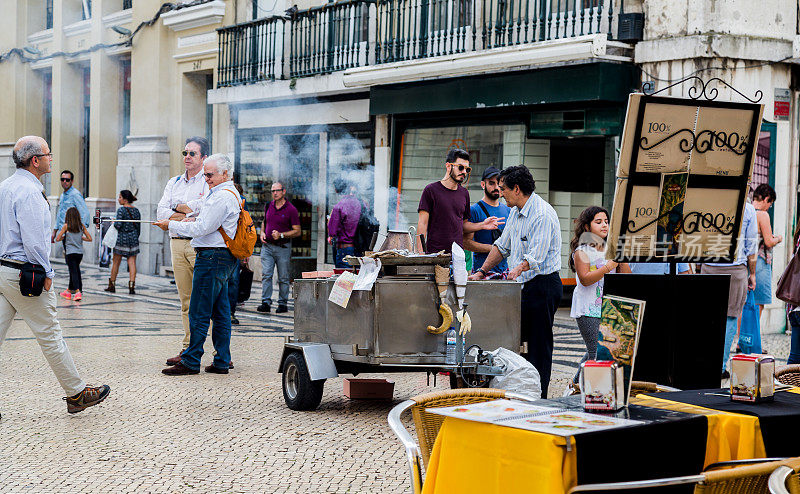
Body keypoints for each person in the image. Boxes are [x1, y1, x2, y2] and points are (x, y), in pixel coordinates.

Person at [0, 136, 109, 414]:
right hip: (25, 274)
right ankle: (76, 393)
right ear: (35, 161)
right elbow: (35, 241)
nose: (51, 158)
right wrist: (47, 272)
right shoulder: (30, 192)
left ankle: (76, 392)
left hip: (3, 270)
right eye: (48, 154)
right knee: (50, 333)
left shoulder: (6, 187)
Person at [468, 165, 562, 397]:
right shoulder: (514, 213)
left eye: (503, 189)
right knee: (516, 342)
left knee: (539, 346)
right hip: (522, 287)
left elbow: (536, 257)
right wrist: (481, 271)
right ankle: (520, 392)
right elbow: (502, 247)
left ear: (517, 189)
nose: (501, 193)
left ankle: (539, 397)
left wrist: (515, 271)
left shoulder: (542, 214)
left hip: (543, 285)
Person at [155, 154, 241, 376]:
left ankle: (191, 360)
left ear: (225, 174)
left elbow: (202, 228)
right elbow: (202, 211)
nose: (207, 178)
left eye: (210, 174)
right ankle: (222, 360)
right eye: (205, 174)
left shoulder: (223, 196)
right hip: (221, 257)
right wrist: (185, 212)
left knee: (198, 310)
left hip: (212, 258)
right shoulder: (223, 192)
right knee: (220, 311)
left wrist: (173, 223)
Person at [157, 137, 210, 366]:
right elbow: (161, 213)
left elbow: (205, 214)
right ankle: (188, 348)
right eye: (185, 152)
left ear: (203, 158)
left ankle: (221, 354)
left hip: (199, 243)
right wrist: (186, 213)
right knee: (186, 300)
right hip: (177, 243)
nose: (187, 157)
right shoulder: (174, 182)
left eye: (192, 154)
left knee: (209, 301)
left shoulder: (208, 182)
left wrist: (175, 210)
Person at [568, 206, 631, 384]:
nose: (604, 225)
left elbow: (627, 276)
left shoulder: (611, 249)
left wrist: (621, 257)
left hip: (609, 309)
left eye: (606, 221)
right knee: (597, 352)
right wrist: (608, 266)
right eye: (598, 222)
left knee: (594, 351)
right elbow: (586, 279)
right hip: (588, 309)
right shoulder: (582, 251)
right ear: (587, 227)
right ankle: (592, 391)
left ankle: (575, 385)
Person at [701, 201, 758, 378]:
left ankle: (704, 362)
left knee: (708, 317)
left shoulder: (708, 202)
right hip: (736, 269)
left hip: (708, 266)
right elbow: (751, 246)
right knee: (731, 318)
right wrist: (753, 273)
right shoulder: (747, 209)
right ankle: (719, 366)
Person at [416, 148, 502, 254]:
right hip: (435, 255)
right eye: (460, 167)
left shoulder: (464, 193)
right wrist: (420, 254)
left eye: (467, 169)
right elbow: (422, 224)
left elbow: (463, 225)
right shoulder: (431, 190)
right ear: (448, 166)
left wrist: (482, 225)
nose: (464, 172)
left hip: (457, 258)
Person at [258, 182, 300, 314]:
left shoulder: (291, 209)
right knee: (266, 274)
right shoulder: (268, 205)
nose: (274, 193)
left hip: (283, 247)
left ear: (284, 191)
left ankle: (283, 303)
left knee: (283, 277)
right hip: (268, 247)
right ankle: (266, 302)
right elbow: (265, 221)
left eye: (277, 191)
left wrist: (281, 235)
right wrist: (262, 233)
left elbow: (297, 231)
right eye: (272, 191)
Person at [463, 166, 510, 277]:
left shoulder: (508, 210)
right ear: (483, 184)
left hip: (504, 271)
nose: (496, 187)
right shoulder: (474, 210)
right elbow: (466, 243)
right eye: (491, 183)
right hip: (481, 272)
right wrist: (494, 250)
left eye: (498, 183)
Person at [753, 184, 782, 315]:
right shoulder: (762, 215)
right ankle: (753, 334)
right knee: (758, 303)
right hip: (760, 260)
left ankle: (741, 334)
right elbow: (768, 242)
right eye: (770, 203)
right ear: (766, 199)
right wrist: (778, 239)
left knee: (745, 303)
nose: (770, 207)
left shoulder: (746, 211)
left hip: (745, 260)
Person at [104, 190, 140, 295]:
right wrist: (135, 236)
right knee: (132, 262)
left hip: (121, 238)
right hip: (133, 238)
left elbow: (118, 225)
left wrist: (114, 222)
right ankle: (132, 286)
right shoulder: (136, 211)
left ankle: (112, 285)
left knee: (116, 262)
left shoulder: (121, 210)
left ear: (125, 199)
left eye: (120, 197)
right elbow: (138, 227)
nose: (118, 199)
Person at [55, 207, 92, 301]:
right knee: (75, 270)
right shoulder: (81, 226)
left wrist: (64, 237)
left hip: (70, 253)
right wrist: (81, 238)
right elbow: (89, 238)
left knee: (73, 271)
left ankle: (77, 292)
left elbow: (58, 238)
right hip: (79, 253)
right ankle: (69, 290)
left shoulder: (66, 226)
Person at [327, 179, 362, 268]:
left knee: (344, 279)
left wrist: (329, 220)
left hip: (343, 249)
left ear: (336, 190)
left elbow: (332, 232)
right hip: (358, 248)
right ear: (349, 188)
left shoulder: (339, 207)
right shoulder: (359, 203)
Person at [52, 169, 90, 245]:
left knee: (72, 255)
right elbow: (60, 214)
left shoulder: (75, 194)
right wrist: (54, 232)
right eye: (62, 179)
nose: (64, 182)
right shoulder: (63, 195)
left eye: (67, 180)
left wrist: (80, 231)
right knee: (68, 255)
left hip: (72, 233)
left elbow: (85, 213)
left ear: (72, 181)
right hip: (63, 232)